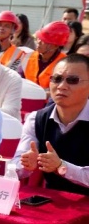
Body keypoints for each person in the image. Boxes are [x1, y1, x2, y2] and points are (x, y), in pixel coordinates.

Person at [13, 54, 89, 195]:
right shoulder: (36, 119)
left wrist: (61, 166)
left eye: (73, 80)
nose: (62, 86)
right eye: (57, 79)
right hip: (53, 199)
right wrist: (26, 165)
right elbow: (16, 167)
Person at [22, 21, 69, 91]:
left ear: (55, 46)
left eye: (43, 40)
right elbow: (19, 78)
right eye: (39, 38)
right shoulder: (28, 56)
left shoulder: (66, 64)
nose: (38, 42)